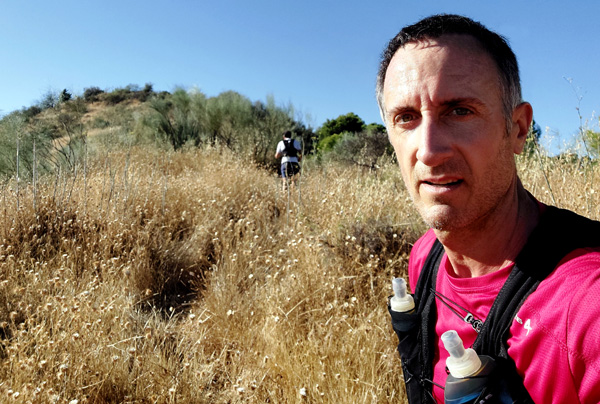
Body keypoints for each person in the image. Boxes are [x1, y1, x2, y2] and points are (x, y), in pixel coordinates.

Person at [377, 14, 600, 404]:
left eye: (459, 111)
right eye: (406, 118)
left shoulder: (584, 308)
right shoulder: (425, 257)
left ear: (518, 129)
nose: (428, 150)